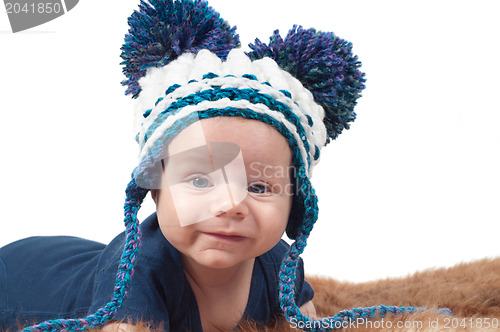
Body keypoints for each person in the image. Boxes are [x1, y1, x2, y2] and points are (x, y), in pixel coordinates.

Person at [0, 0, 412, 331]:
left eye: (261, 186)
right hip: (19, 272)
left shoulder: (279, 264)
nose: (231, 204)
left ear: (296, 203)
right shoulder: (140, 270)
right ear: (155, 189)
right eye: (200, 179)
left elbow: (306, 318)